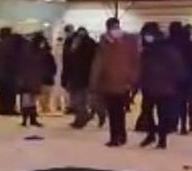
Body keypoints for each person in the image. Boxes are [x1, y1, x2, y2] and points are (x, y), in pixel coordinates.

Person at [90, 17, 139, 147]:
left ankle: (116, 137)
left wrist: (94, 82)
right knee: (118, 111)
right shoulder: (127, 42)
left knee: (114, 111)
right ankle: (120, 136)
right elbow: (134, 62)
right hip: (118, 82)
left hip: (113, 81)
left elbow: (98, 64)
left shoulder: (108, 43)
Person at [137, 22, 185, 149]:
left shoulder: (164, 48)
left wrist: (172, 81)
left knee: (161, 113)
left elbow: (176, 66)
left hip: (162, 85)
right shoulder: (148, 50)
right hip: (150, 85)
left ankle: (161, 138)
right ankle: (152, 134)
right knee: (147, 110)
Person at [62, 27, 98, 128]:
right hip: (75, 76)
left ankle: (81, 118)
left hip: (83, 76)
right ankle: (82, 117)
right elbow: (66, 62)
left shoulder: (89, 44)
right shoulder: (69, 43)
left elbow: (93, 60)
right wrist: (64, 77)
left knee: (80, 99)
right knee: (76, 100)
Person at [14, 32, 47, 128]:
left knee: (28, 100)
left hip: (28, 78)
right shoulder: (36, 51)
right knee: (29, 100)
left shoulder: (28, 50)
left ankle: (28, 119)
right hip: (31, 79)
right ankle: (30, 119)